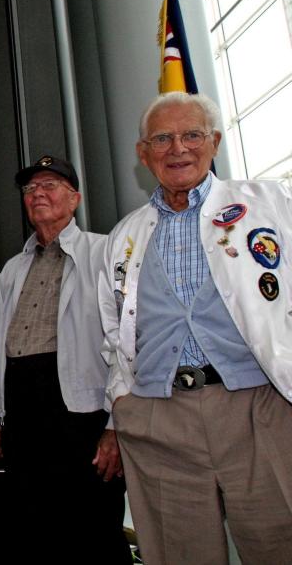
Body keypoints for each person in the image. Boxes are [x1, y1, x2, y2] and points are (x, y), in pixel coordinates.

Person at [100, 92, 292, 564]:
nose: (177, 149)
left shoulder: (272, 204)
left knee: (279, 540)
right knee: (178, 552)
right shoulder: (124, 236)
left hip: (259, 407)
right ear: (143, 155)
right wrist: (122, 404)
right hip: (159, 417)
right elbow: (113, 332)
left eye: (191, 135)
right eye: (161, 139)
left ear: (215, 143)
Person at [0, 156, 130, 564]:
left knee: (93, 533)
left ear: (74, 198)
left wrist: (116, 425)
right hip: (24, 416)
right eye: (30, 189)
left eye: (50, 185)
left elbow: (128, 343)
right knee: (32, 533)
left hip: (83, 418)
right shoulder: (13, 268)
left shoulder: (104, 252)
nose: (38, 194)